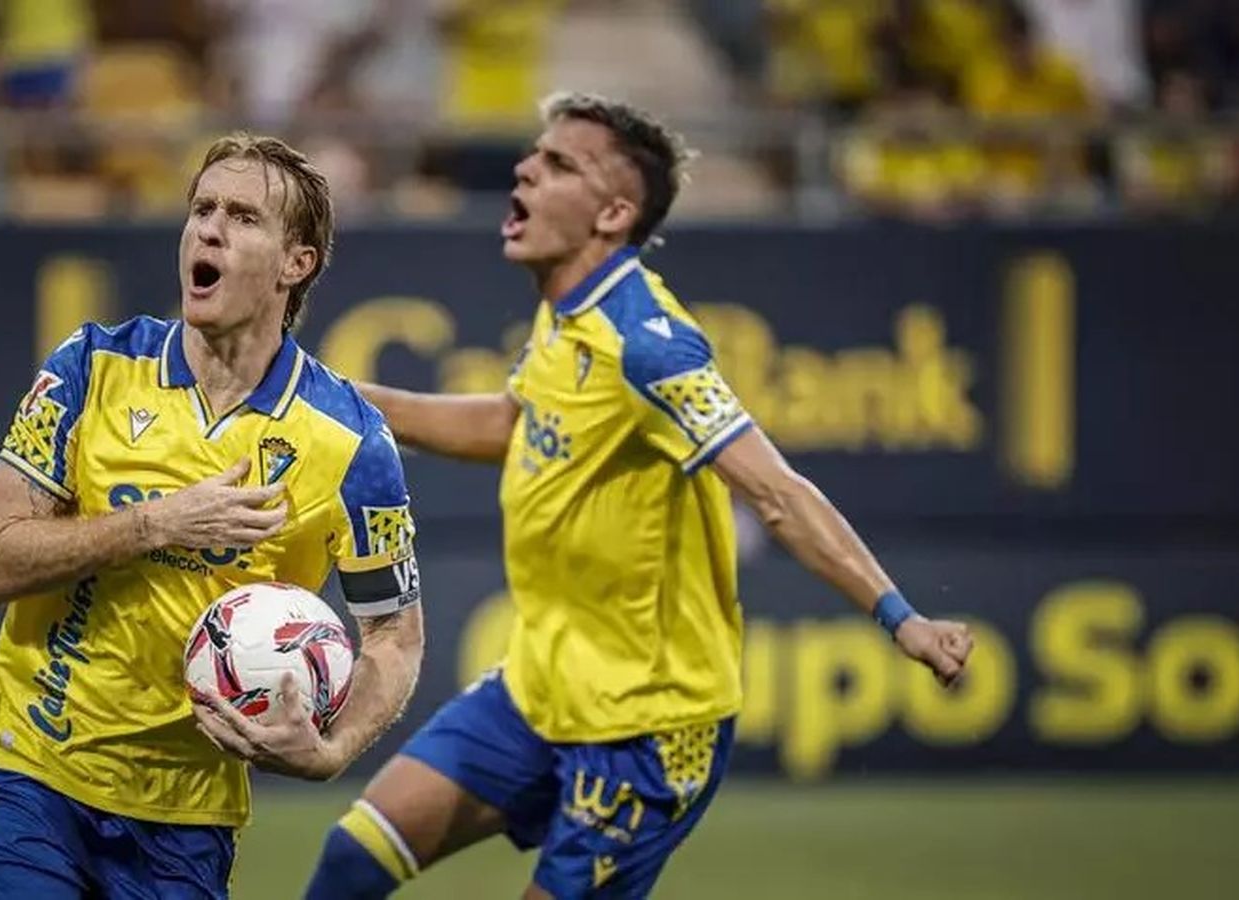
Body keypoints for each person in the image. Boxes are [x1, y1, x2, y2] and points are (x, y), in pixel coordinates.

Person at [301, 92, 975, 899]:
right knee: (353, 857)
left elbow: (778, 493)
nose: (526, 169)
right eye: (535, 154)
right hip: (541, 689)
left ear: (613, 214)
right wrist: (337, 398)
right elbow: (512, 423)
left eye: (559, 164)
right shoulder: (566, 315)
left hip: (647, 725)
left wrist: (901, 618)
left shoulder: (648, 345)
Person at [0, 133, 426, 899]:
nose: (209, 229)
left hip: (188, 815)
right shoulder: (92, 368)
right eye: (202, 209)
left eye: (242, 217)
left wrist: (332, 749)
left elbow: (394, 634)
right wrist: (156, 524)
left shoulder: (350, 441)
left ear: (296, 262)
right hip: (33, 772)